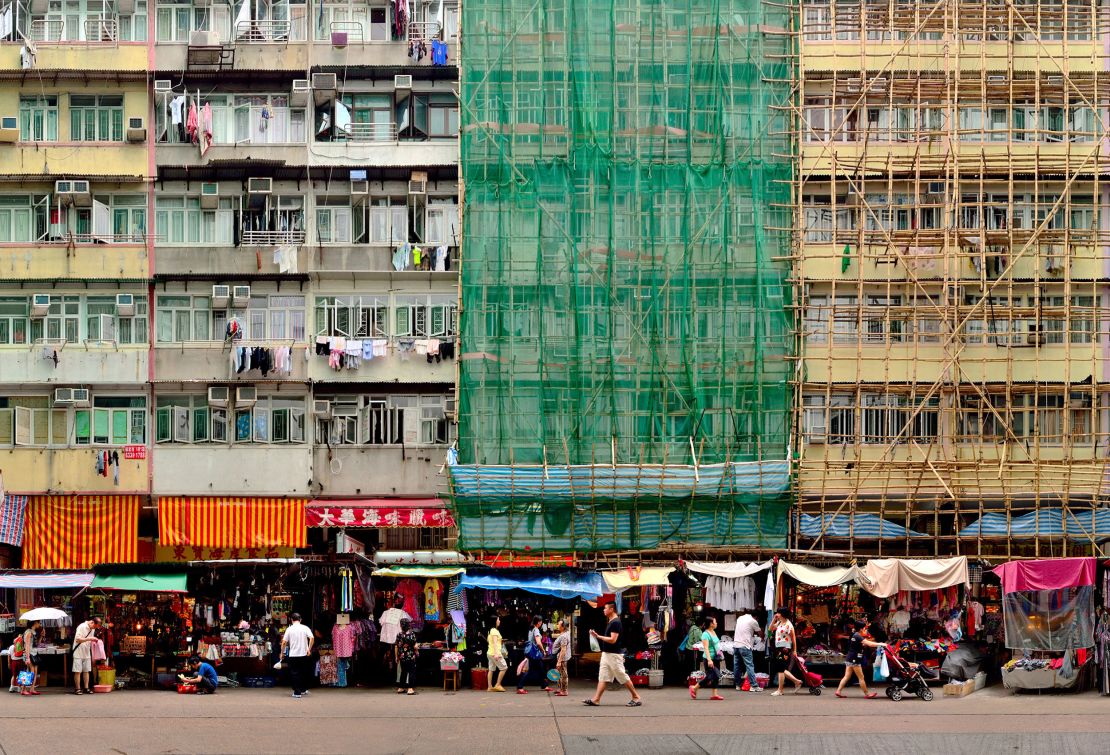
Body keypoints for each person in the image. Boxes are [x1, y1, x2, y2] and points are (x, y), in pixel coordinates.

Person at [583, 601, 643, 707]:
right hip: (607, 654)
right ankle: (596, 699)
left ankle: (636, 697)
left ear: (611, 609)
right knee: (603, 676)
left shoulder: (616, 622)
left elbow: (613, 640)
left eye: (605, 608)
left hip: (614, 655)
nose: (603, 610)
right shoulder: (611, 621)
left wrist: (598, 636)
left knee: (621, 675)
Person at [835, 619, 884, 699]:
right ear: (861, 629)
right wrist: (881, 644)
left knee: (847, 676)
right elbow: (870, 644)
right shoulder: (858, 636)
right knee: (861, 677)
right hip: (854, 659)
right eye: (865, 628)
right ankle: (867, 694)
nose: (865, 630)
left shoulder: (854, 635)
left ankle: (838, 691)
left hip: (850, 658)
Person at [379, 596, 411, 692]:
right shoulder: (403, 613)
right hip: (399, 640)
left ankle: (400, 683)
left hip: (389, 638)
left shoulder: (385, 613)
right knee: (404, 662)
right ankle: (405, 683)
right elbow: (408, 621)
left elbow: (380, 622)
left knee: (400, 660)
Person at [281, 612, 315, 699]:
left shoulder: (289, 629)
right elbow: (312, 638)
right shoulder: (305, 628)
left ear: (291, 620)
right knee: (303, 672)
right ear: (300, 620)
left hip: (293, 655)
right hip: (304, 654)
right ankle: (303, 689)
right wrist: (309, 649)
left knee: (294, 673)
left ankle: (297, 692)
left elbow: (284, 642)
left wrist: (282, 653)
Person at [690, 616, 724, 700]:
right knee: (709, 677)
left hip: (716, 658)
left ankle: (714, 694)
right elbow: (706, 648)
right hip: (708, 659)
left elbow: (716, 644)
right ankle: (694, 688)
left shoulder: (713, 631)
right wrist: (709, 660)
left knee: (716, 676)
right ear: (711, 624)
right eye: (715, 622)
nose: (716, 623)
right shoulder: (705, 634)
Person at [770, 609, 802, 697]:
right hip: (778, 647)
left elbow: (793, 638)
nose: (777, 614)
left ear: (783, 614)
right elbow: (770, 629)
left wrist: (794, 650)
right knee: (781, 668)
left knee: (780, 669)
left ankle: (780, 690)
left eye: (778, 613)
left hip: (785, 648)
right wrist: (774, 619)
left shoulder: (789, 625)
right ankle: (797, 681)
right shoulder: (780, 623)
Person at [517, 616, 550, 694]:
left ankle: (544, 685)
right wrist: (543, 651)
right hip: (535, 653)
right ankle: (520, 687)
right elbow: (538, 643)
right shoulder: (536, 630)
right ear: (539, 622)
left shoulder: (531, 629)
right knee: (530, 671)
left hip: (532, 653)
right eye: (541, 622)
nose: (541, 623)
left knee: (540, 668)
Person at [733, 609, 763, 692]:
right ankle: (754, 685)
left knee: (737, 666)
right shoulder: (753, 621)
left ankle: (738, 685)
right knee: (749, 665)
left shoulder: (740, 618)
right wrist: (763, 638)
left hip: (736, 645)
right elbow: (760, 634)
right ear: (756, 617)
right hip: (745, 646)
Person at [72, 617, 101, 695]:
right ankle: (77, 688)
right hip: (78, 651)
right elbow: (78, 639)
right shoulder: (81, 626)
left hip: (86, 651)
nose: (94, 628)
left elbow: (89, 640)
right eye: (94, 626)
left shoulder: (93, 629)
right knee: (78, 671)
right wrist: (90, 638)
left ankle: (86, 687)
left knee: (86, 670)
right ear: (92, 622)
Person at [396, 618, 418, 695]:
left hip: (402, 656)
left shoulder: (399, 634)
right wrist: (417, 650)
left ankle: (401, 688)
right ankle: (410, 689)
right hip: (410, 656)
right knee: (411, 672)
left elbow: (397, 646)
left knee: (403, 672)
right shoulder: (412, 634)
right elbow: (415, 646)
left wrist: (397, 656)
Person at [486, 615, 508, 692]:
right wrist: (496, 654)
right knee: (504, 667)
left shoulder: (490, 630)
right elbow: (495, 643)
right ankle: (498, 684)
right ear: (495, 621)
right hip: (494, 653)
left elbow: (490, 642)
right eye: (498, 620)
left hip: (490, 653)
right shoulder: (494, 631)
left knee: (491, 669)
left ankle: (489, 687)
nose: (499, 621)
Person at [20, 621, 41, 696]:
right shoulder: (28, 632)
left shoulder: (34, 632)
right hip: (29, 654)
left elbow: (36, 644)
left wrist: (41, 636)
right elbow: (27, 645)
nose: (39, 624)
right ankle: (23, 689)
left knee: (35, 671)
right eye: (39, 622)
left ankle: (32, 689)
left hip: (34, 653)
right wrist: (27, 658)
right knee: (29, 671)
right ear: (35, 623)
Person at [551, 618, 572, 697]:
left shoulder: (564, 636)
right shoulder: (565, 633)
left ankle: (564, 690)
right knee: (560, 673)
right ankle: (560, 689)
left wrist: (559, 661)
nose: (557, 626)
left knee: (563, 674)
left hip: (562, 657)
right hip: (561, 657)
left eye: (559, 624)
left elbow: (563, 649)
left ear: (563, 626)